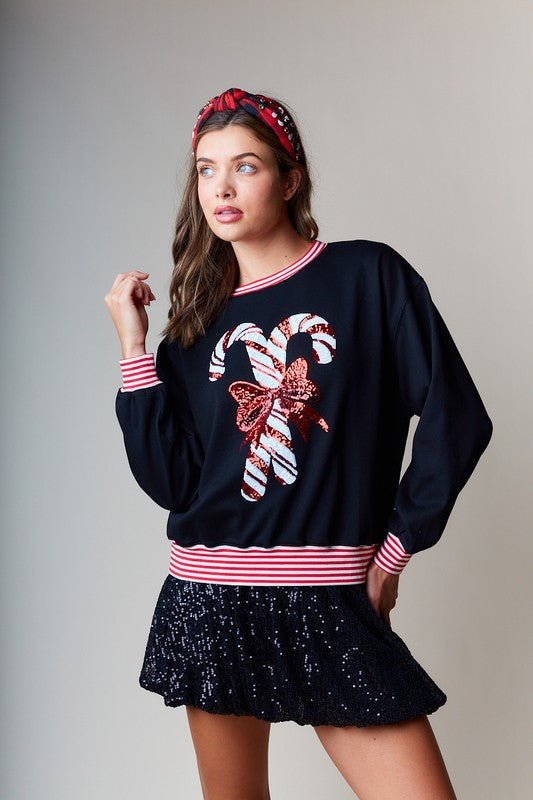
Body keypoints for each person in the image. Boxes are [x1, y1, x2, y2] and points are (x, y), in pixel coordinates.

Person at [104, 87, 493, 800]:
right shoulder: (193, 328)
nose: (221, 187)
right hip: (211, 598)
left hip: (328, 600)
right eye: (206, 169)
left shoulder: (368, 276)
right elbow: (172, 484)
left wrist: (396, 549)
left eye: (245, 166)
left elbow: (457, 418)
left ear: (289, 181)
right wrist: (135, 351)